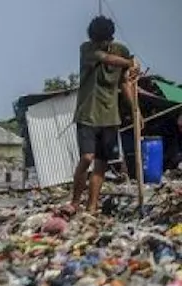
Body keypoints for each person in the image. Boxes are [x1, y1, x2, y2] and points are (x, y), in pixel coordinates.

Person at [72, 15, 139, 213]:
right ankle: (75, 202)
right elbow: (106, 59)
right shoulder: (87, 49)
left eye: (101, 41)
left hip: (110, 116)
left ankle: (92, 207)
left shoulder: (121, 51)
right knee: (87, 157)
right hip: (88, 114)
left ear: (108, 38)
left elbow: (124, 82)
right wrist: (131, 62)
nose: (98, 44)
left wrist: (135, 110)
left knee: (101, 163)